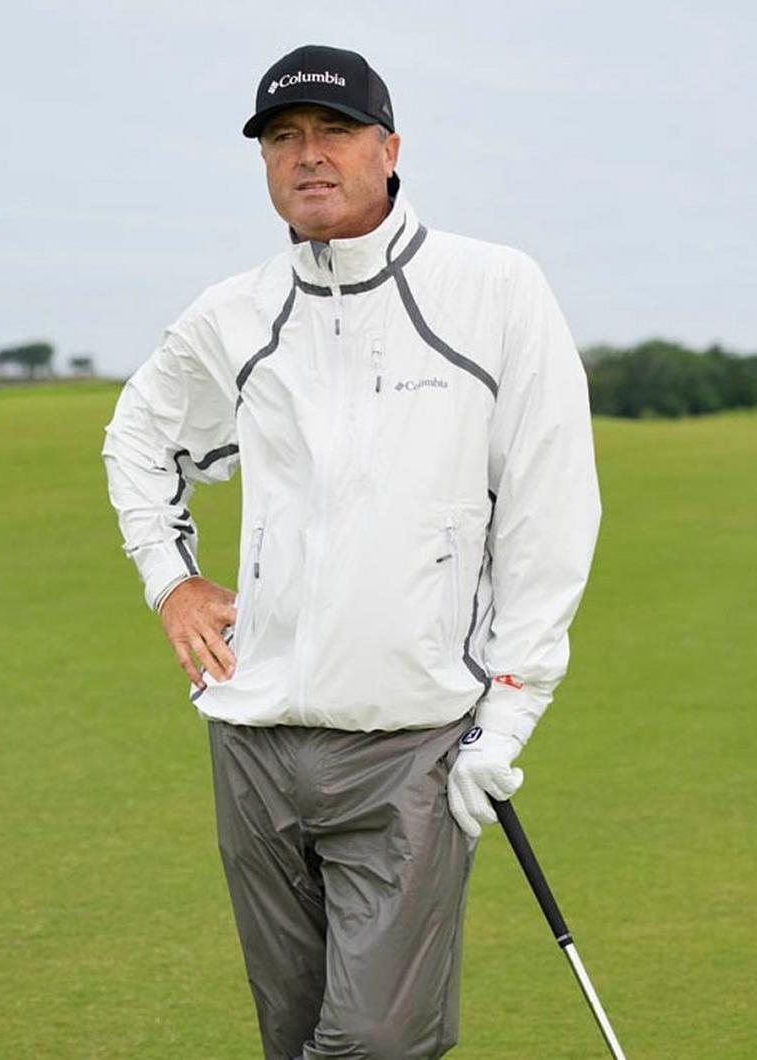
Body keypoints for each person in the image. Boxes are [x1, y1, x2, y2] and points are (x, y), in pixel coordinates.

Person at [103, 44, 601, 1060]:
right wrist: (171, 581)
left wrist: (509, 711)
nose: (308, 154)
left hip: (409, 741)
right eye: (283, 137)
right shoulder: (234, 315)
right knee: (293, 1039)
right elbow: (138, 439)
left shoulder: (494, 289)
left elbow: (548, 509)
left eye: (334, 130)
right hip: (252, 743)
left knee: (373, 1042)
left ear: (389, 148)